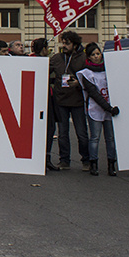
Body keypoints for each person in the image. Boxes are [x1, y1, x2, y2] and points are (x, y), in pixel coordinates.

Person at [77, 43, 120, 176]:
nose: (96, 56)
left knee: (111, 138)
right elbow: (94, 94)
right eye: (93, 55)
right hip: (96, 109)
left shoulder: (109, 70)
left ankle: (111, 164)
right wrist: (108, 108)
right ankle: (93, 163)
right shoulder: (86, 73)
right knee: (95, 138)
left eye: (98, 53)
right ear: (89, 57)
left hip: (110, 109)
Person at [50, 30, 90, 170]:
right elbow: (44, 72)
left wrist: (79, 84)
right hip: (60, 100)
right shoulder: (56, 58)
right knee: (62, 134)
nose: (64, 46)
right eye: (63, 43)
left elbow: (90, 78)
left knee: (82, 133)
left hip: (77, 100)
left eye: (67, 43)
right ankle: (64, 160)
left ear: (75, 44)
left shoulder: (84, 58)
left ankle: (86, 159)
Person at [31, 37, 59, 171]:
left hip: (46, 98)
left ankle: (45, 158)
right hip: (42, 99)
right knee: (47, 129)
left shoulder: (37, 61)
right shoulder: (41, 62)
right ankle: (43, 158)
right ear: (43, 49)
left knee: (48, 129)